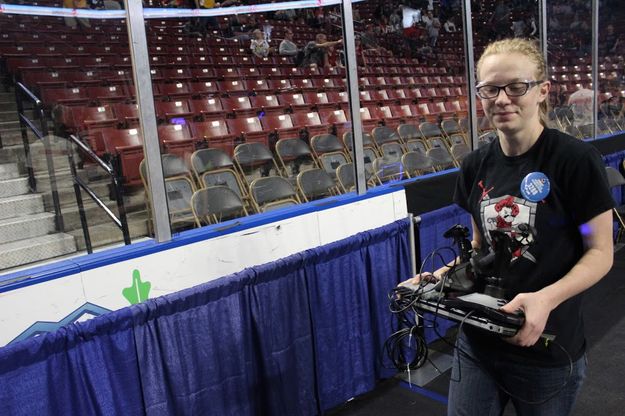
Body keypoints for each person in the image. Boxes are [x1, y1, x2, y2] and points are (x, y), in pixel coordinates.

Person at [404, 38, 614, 415]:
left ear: (542, 91)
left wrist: (545, 299)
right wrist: (438, 277)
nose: (502, 99)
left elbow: (599, 252)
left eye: (516, 87)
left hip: (547, 349)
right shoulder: (475, 166)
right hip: (478, 341)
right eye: (490, 89)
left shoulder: (575, 160)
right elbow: (480, 250)